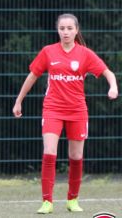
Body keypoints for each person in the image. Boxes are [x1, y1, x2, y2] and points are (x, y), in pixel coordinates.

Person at [12, 13, 118, 214]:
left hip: (78, 111)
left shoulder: (85, 54)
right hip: (52, 109)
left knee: (76, 156)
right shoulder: (48, 52)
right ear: (57, 30)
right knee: (49, 152)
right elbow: (32, 76)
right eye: (62, 28)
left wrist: (113, 87)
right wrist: (19, 101)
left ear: (76, 30)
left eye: (70, 28)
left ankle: (73, 199)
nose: (66, 32)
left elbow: (108, 72)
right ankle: (47, 202)